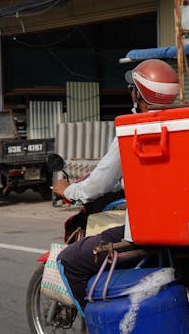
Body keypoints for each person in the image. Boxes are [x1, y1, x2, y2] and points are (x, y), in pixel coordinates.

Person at [51, 58, 180, 308]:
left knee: (70, 261)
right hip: (182, 225)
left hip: (149, 231)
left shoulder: (133, 130)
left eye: (133, 88)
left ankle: (98, 330)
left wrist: (70, 191)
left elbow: (97, 185)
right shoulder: (183, 125)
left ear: (139, 95)